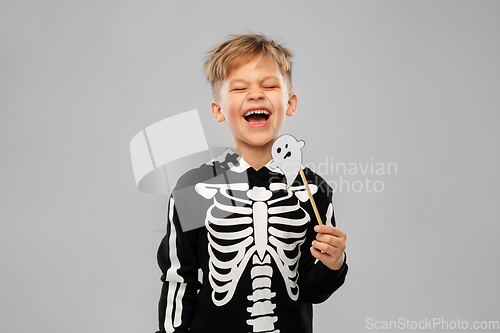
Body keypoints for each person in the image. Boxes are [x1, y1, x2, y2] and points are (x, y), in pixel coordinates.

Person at [156, 33, 348, 333]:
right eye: (240, 87)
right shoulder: (194, 188)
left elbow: (311, 290)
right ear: (218, 110)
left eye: (270, 86)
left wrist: (333, 263)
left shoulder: (312, 189)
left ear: (290, 103)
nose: (256, 94)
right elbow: (179, 281)